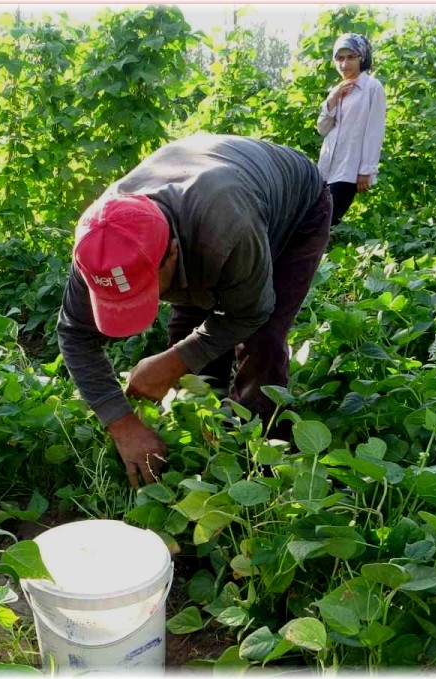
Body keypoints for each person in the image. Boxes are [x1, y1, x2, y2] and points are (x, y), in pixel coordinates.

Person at [57, 134, 331, 488]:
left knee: (262, 338)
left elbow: (250, 313)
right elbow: (75, 334)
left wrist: (172, 364)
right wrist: (122, 422)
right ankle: (204, 431)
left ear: (172, 253)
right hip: (204, 208)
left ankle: (257, 459)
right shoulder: (101, 245)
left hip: (295, 209)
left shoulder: (228, 228)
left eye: (148, 287)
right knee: (188, 334)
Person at [317, 33, 386, 226]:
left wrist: (366, 170)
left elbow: (375, 131)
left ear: (362, 58)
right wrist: (332, 99)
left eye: (350, 57)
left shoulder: (372, 87)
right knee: (316, 221)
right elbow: (323, 129)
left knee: (326, 221)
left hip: (349, 169)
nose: (344, 64)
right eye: (339, 58)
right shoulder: (337, 89)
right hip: (326, 168)